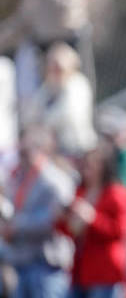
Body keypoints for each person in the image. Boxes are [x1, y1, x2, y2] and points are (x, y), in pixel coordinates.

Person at [1, 125, 76, 298]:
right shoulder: (21, 178)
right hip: (22, 260)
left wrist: (15, 226)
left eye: (26, 151)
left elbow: (55, 217)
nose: (22, 157)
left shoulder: (55, 179)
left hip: (46, 264)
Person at [57, 138, 126, 298]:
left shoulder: (116, 193)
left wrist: (93, 218)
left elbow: (121, 231)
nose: (86, 169)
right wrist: (62, 219)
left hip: (105, 271)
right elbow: (71, 232)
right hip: (80, 270)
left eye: (92, 165)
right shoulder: (81, 191)